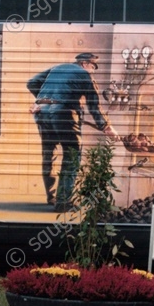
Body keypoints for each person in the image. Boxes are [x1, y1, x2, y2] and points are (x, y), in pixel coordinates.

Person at [27, 53, 119, 212]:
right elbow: (94, 105)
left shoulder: (57, 68)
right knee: (72, 155)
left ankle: (51, 197)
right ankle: (64, 203)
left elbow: (32, 83)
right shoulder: (85, 75)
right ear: (84, 64)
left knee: (49, 153)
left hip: (41, 112)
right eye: (92, 67)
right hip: (63, 113)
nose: (93, 71)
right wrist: (107, 127)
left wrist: (44, 100)